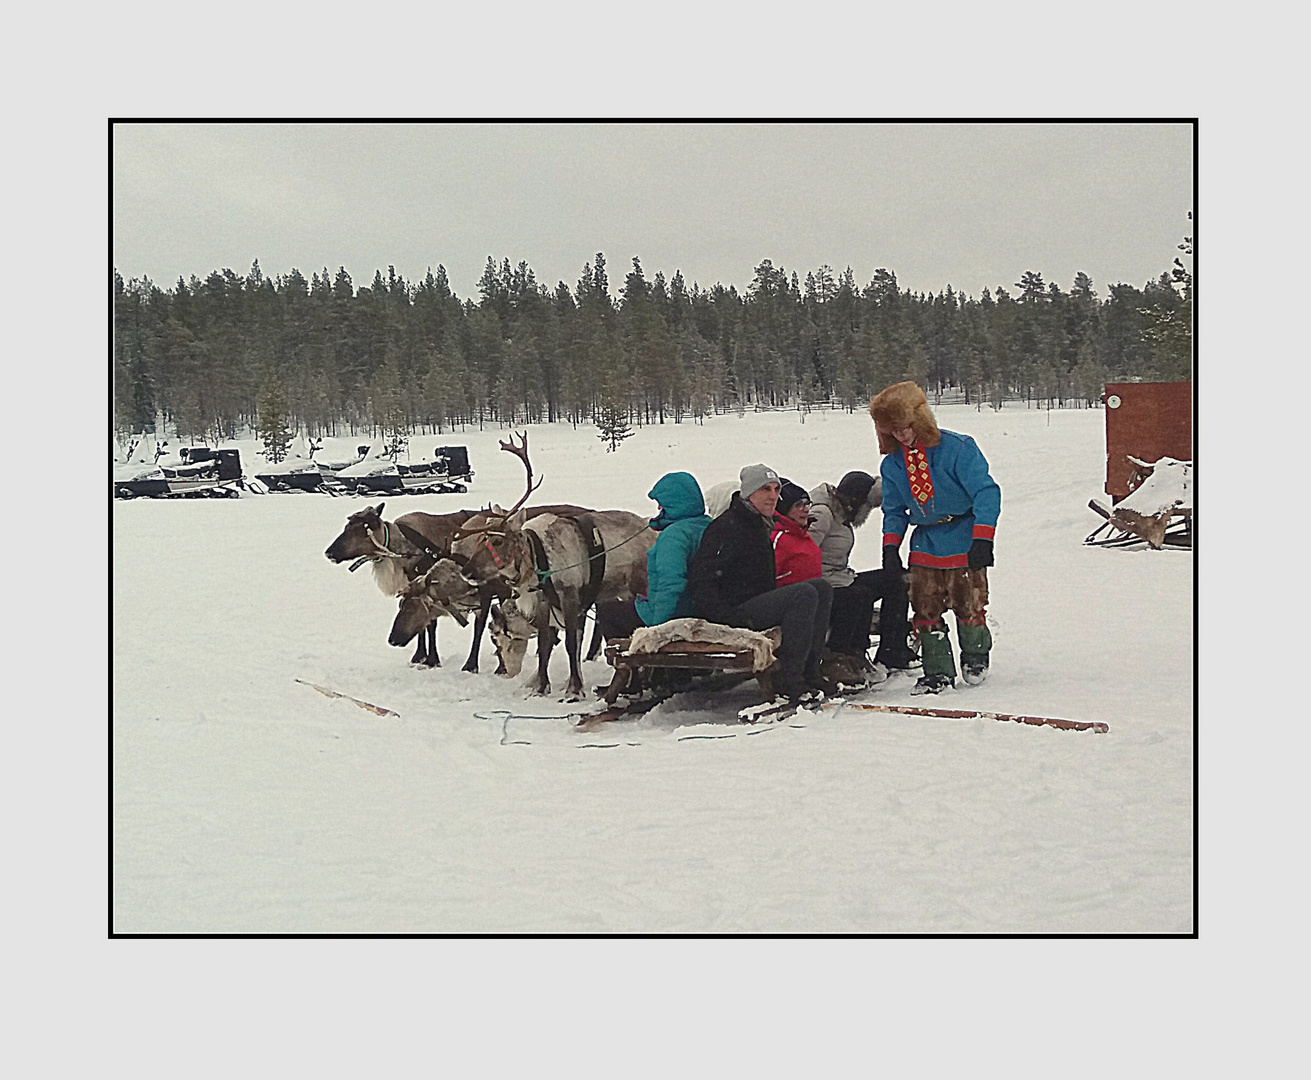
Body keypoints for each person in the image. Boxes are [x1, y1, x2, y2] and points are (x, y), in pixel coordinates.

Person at [869, 381, 1001, 694]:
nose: (901, 435)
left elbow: (986, 492)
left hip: (964, 536)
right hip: (925, 542)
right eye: (894, 430)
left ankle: (975, 655)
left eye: (905, 427)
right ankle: (938, 670)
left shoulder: (959, 448)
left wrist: (983, 538)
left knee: (969, 603)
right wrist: (890, 547)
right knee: (925, 608)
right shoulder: (892, 465)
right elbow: (895, 509)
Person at [686, 464, 833, 702]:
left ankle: (810, 672)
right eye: (765, 489)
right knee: (803, 593)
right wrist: (726, 618)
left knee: (821, 588)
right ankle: (788, 678)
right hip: (734, 610)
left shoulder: (759, 523)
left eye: (776, 489)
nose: (773, 495)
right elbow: (702, 579)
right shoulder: (728, 526)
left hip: (753, 601)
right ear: (749, 493)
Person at [807, 471, 917, 684]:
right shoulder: (823, 514)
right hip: (824, 582)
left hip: (841, 576)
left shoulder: (840, 514)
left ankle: (893, 650)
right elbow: (803, 554)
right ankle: (843, 653)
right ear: (855, 503)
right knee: (860, 595)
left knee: (896, 579)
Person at [594, 471, 712, 641]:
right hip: (700, 608)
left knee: (608, 611)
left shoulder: (673, 536)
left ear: (674, 503)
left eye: (661, 503)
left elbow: (671, 584)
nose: (658, 508)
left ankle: (630, 662)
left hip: (676, 614)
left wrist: (657, 626)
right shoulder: (707, 524)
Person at [770, 481, 823, 586]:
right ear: (785, 509)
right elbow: (767, 577)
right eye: (799, 505)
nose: (806, 509)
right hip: (789, 599)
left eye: (807, 504)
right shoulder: (778, 539)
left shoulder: (803, 535)